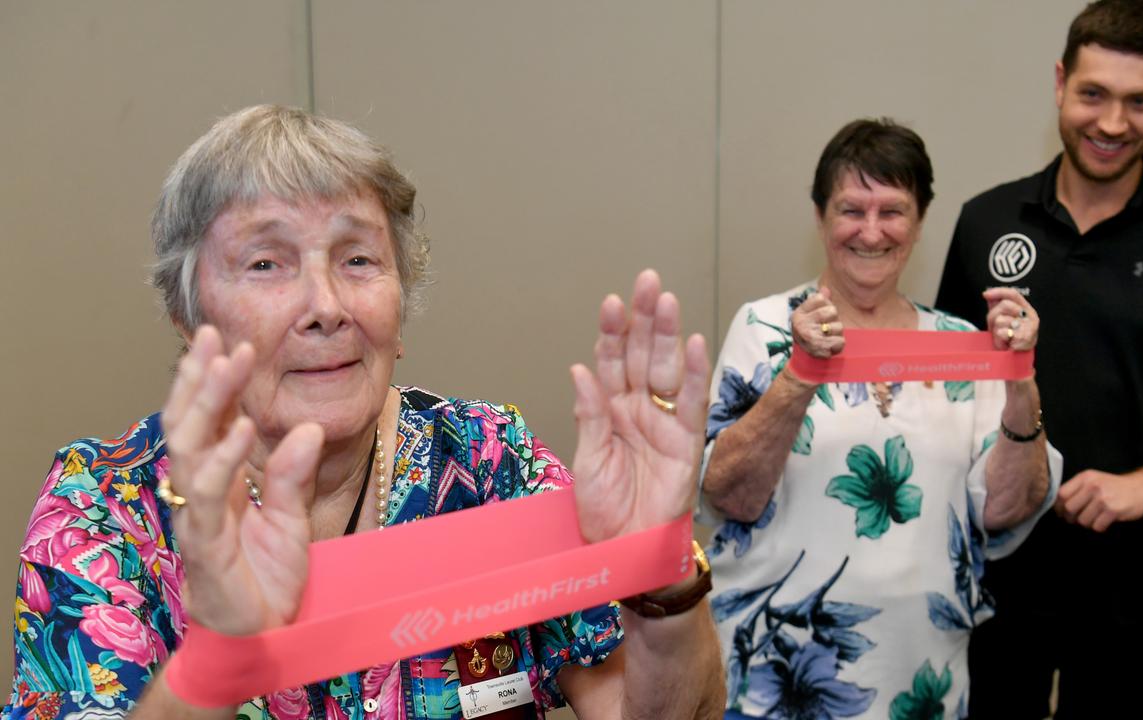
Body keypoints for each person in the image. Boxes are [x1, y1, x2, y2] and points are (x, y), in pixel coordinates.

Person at [3, 105, 725, 720]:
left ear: (400, 307)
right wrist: (219, 660)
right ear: (189, 319)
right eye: (267, 264)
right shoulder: (103, 510)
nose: (327, 308)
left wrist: (657, 568)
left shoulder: (483, 460)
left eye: (357, 260)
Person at [934, 1, 1143, 717]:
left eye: (1140, 102)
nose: (1113, 124)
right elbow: (950, 388)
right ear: (1060, 82)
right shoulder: (986, 220)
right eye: (1094, 93)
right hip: (998, 582)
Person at [699, 118, 1061, 719]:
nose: (871, 231)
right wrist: (799, 375)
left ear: (919, 222)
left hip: (921, 677)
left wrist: (1019, 381)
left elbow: (1005, 509)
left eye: (892, 210)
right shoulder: (764, 329)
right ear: (819, 217)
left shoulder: (963, 344)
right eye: (851, 209)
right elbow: (728, 496)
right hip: (774, 673)